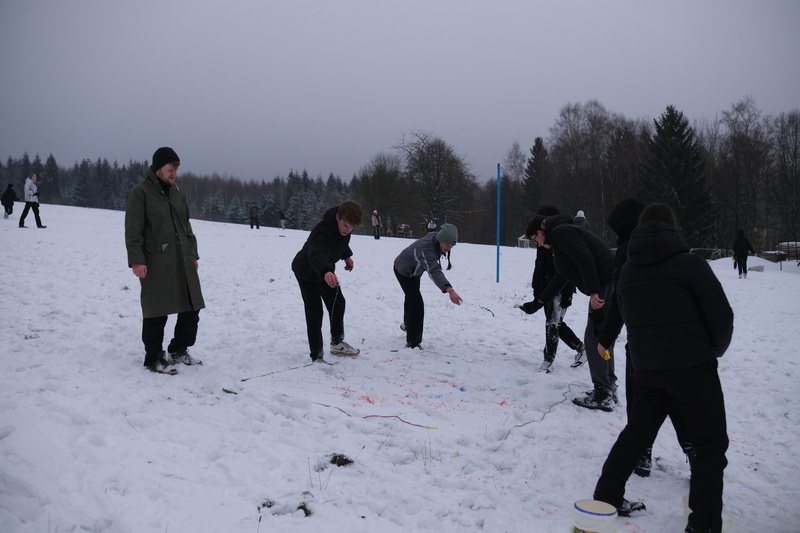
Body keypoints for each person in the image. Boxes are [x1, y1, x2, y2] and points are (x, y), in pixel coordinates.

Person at [592, 203, 733, 532]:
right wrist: (710, 353)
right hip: (692, 369)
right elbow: (722, 317)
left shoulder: (628, 270)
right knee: (709, 447)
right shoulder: (691, 265)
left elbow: (622, 312)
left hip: (648, 370)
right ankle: (703, 525)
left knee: (636, 434)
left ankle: (605, 496)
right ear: (673, 228)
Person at [596, 199, 689, 477]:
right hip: (682, 344)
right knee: (678, 400)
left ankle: (641, 454)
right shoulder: (680, 248)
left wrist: (607, 336)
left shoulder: (629, 251)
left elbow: (619, 300)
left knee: (640, 402)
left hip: (643, 344)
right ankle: (694, 453)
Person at [522, 211, 617, 410]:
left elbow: (585, 259)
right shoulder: (559, 240)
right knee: (602, 335)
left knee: (595, 338)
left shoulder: (561, 233)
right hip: (605, 284)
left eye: (536, 240)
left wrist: (593, 292)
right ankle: (608, 386)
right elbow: (561, 277)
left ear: (540, 231)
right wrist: (539, 302)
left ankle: (604, 392)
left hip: (605, 284)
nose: (539, 245)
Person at [125, 147, 205, 374]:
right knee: (156, 309)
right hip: (156, 260)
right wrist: (137, 260)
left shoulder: (178, 192)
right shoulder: (140, 192)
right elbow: (133, 231)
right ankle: (154, 357)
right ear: (158, 168)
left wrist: (193, 254)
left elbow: (186, 227)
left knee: (192, 306)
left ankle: (179, 349)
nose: (174, 174)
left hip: (183, 258)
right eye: (170, 169)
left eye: (176, 169)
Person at [291, 201, 363, 362]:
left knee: (338, 303)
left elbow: (340, 242)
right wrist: (326, 271)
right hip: (307, 272)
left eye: (352, 227)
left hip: (325, 272)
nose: (348, 230)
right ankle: (316, 355)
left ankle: (337, 343)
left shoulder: (343, 228)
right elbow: (317, 253)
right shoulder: (321, 231)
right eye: (345, 225)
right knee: (315, 311)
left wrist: (346, 256)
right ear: (337, 217)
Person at [527, 205, 585, 373]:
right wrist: (537, 290)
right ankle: (581, 349)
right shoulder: (542, 242)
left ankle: (548, 361)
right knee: (556, 323)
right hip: (546, 288)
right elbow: (539, 267)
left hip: (560, 289)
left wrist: (565, 293)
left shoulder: (560, 240)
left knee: (553, 323)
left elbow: (567, 271)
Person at [394, 223, 462, 349]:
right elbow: (434, 271)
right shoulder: (427, 249)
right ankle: (413, 342)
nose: (449, 248)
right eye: (447, 244)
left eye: (452, 245)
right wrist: (450, 290)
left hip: (415, 271)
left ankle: (408, 325)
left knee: (411, 297)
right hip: (403, 270)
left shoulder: (437, 238)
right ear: (440, 240)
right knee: (416, 302)